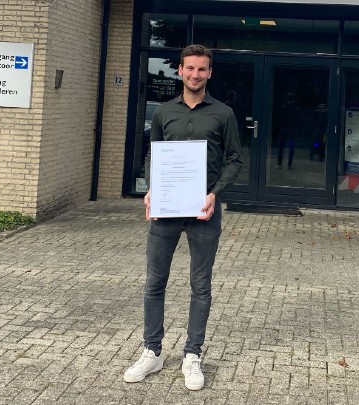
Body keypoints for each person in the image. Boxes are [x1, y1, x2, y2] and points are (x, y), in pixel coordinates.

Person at [123, 44, 242, 391]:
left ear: (210, 73)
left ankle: (192, 355)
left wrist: (214, 193)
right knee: (154, 282)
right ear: (180, 70)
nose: (195, 74)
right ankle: (152, 351)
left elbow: (234, 159)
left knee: (200, 285)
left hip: (204, 211)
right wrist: (150, 188)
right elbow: (153, 155)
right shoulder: (164, 112)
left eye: (202, 69)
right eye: (190, 68)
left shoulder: (223, 114)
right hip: (166, 211)